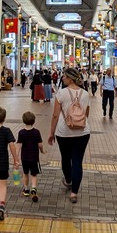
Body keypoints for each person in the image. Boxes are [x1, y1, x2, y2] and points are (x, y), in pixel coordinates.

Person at [47, 67, 90, 204]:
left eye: (64, 77)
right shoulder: (85, 93)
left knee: (65, 158)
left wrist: (51, 133)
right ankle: (74, 193)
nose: (62, 78)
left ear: (70, 78)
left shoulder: (62, 93)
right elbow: (86, 114)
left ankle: (69, 180)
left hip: (64, 132)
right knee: (77, 161)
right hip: (83, 132)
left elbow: (55, 115)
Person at [16, 111, 44, 202]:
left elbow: (19, 145)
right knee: (34, 174)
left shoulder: (21, 133)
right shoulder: (36, 132)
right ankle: (34, 189)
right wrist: (42, 151)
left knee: (25, 173)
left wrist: (16, 157)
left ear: (24, 121)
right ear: (34, 121)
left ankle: (26, 189)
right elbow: (40, 145)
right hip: (34, 157)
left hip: (24, 157)